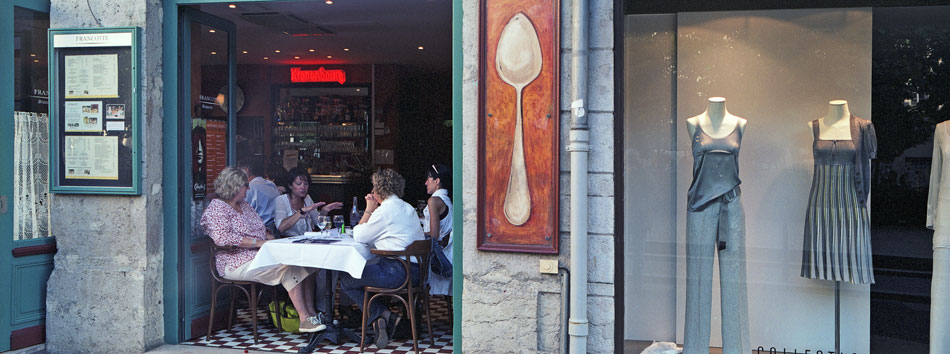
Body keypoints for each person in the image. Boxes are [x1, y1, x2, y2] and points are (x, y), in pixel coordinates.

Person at [199, 166, 325, 333]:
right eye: (245, 185)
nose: (248, 189)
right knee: (288, 269)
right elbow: (223, 238)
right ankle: (304, 319)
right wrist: (257, 243)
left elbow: (260, 226)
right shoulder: (217, 209)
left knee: (306, 265)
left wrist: (268, 235)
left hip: (259, 256)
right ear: (235, 187)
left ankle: (312, 314)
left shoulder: (244, 205)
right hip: (235, 263)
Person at [342, 168, 425, 349]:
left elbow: (359, 236)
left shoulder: (385, 211)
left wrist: (369, 210)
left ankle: (385, 316)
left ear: (378, 190)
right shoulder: (407, 207)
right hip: (416, 273)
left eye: (373, 188)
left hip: (397, 273)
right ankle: (381, 319)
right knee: (366, 276)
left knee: (348, 281)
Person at [273, 167, 343, 237]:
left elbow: (317, 223)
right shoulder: (281, 200)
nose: (303, 187)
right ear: (290, 185)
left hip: (307, 240)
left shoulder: (307, 198)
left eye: (306, 184)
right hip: (288, 242)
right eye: (298, 184)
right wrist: (301, 212)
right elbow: (281, 228)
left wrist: (323, 211)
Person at [423, 163, 453, 296]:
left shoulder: (433, 201)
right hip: (448, 253)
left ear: (437, 181)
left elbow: (434, 234)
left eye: (428, 179)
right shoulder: (447, 199)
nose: (425, 183)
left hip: (438, 256)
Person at [236, 157, 281, 235]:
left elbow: (240, 210)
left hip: (257, 231)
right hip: (274, 228)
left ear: (246, 171)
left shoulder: (249, 187)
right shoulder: (271, 184)